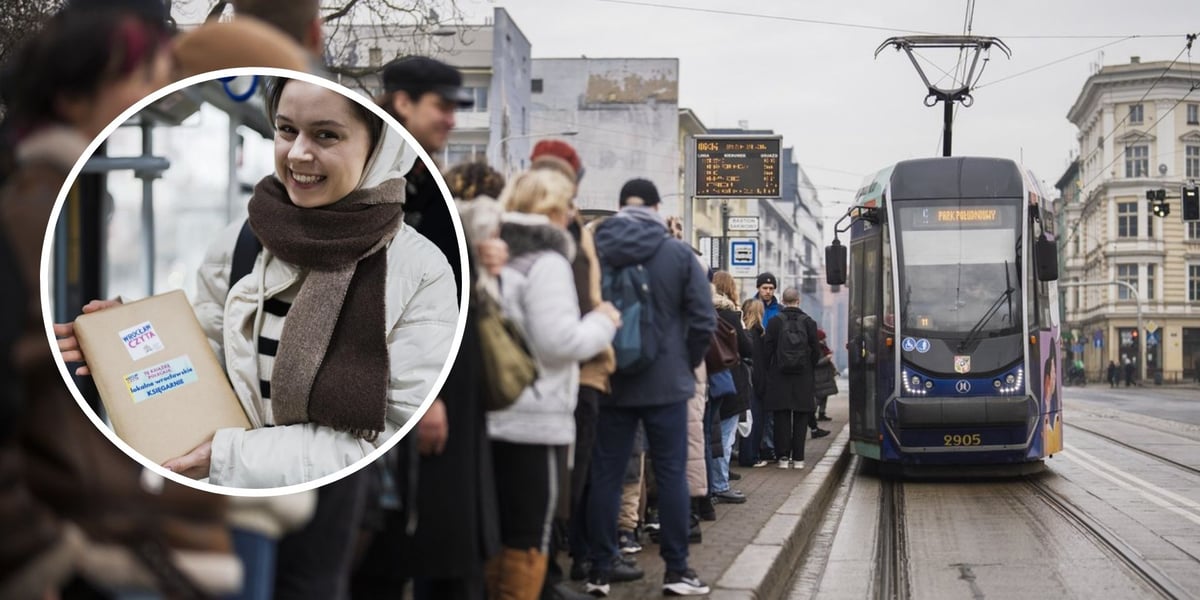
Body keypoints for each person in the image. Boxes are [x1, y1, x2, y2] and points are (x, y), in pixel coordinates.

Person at [58, 78, 458, 488]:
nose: (299, 152)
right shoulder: (241, 240)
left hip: (339, 499)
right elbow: (208, 361)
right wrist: (132, 341)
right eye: (286, 129)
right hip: (229, 493)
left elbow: (387, 433)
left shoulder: (422, 271)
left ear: (377, 149)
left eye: (326, 135)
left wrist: (230, 458)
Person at [2, 2, 240, 597]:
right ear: (72, 95)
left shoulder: (65, 193)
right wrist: (47, 556)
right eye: (140, 76)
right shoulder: (31, 209)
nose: (156, 92)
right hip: (90, 548)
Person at [487, 168, 620, 599]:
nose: (570, 218)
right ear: (551, 210)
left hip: (492, 411)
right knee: (528, 536)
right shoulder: (547, 261)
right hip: (535, 416)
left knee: (495, 531)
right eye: (566, 208)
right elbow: (559, 342)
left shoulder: (493, 252)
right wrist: (603, 322)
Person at [587, 178, 715, 597]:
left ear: (620, 206)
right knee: (672, 474)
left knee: (607, 474)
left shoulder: (597, 249)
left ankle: (600, 570)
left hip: (612, 379)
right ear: (657, 207)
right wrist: (684, 362)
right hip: (666, 385)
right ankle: (677, 571)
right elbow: (703, 321)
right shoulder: (678, 254)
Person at [762, 288, 823, 470]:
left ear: (783, 300)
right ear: (798, 300)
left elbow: (767, 351)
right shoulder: (809, 323)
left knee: (781, 417)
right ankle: (798, 459)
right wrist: (808, 367)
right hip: (803, 377)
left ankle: (782, 457)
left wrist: (771, 369)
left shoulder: (774, 322)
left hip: (780, 377)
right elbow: (816, 351)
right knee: (801, 417)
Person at [738, 299, 770, 469]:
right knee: (754, 421)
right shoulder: (757, 333)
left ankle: (746, 454)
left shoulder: (743, 332)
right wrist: (762, 386)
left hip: (743, 381)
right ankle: (750, 456)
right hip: (754, 384)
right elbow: (758, 364)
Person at [812, 329, 837, 425]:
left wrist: (834, 369)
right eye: (823, 338)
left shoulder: (823, 347)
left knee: (825, 395)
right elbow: (815, 363)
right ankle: (811, 414)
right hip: (819, 376)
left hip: (825, 376)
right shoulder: (815, 348)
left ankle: (822, 413)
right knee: (819, 396)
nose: (824, 340)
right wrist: (827, 359)